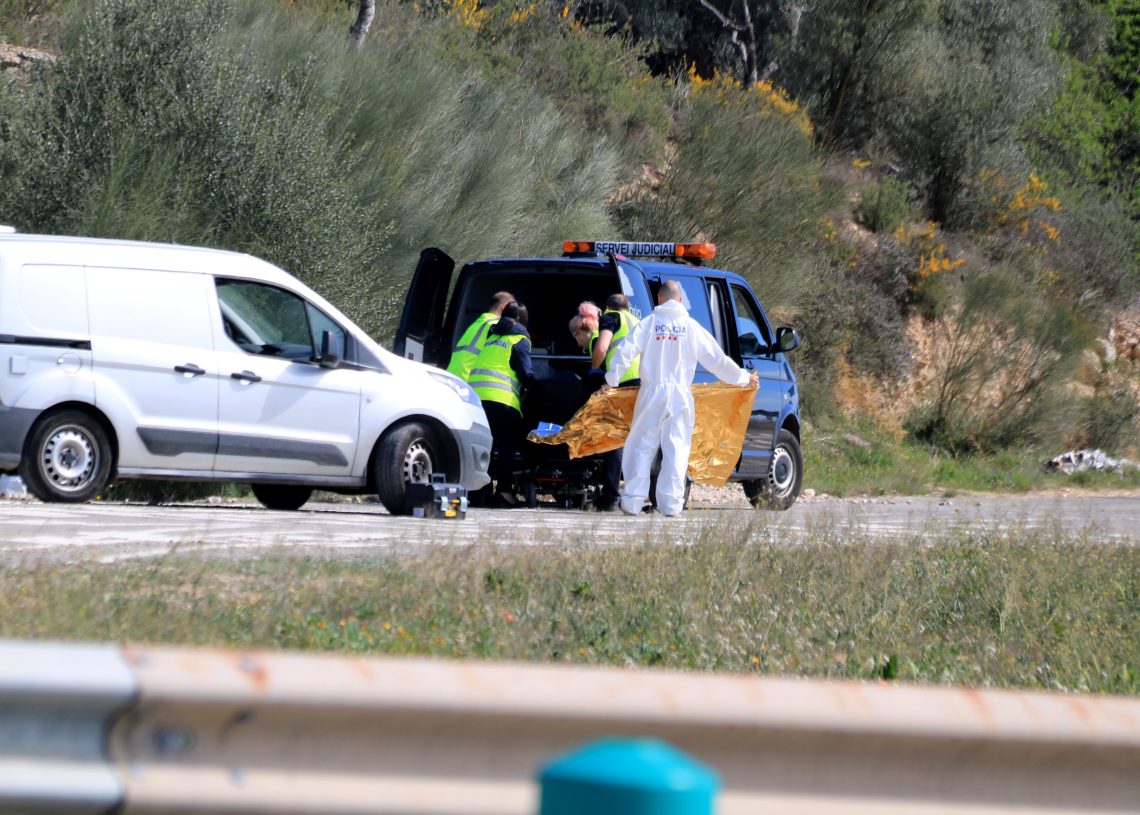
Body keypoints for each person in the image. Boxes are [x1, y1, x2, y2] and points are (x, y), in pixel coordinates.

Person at [604, 280, 758, 517]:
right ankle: (671, 505)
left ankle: (632, 501)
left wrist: (611, 380)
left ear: (659, 299)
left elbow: (625, 352)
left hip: (651, 392)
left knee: (641, 447)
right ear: (680, 300)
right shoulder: (691, 327)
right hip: (680, 396)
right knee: (677, 449)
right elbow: (717, 359)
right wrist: (743, 378)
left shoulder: (649, 324)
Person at [468, 301, 534, 507]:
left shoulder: (491, 336)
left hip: (476, 399)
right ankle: (505, 492)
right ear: (523, 321)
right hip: (502, 401)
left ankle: (479, 492)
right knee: (507, 448)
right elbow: (525, 373)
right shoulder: (520, 340)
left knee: (485, 447)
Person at [587, 294, 641, 512]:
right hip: (641, 383)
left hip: (620, 383)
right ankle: (634, 494)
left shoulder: (610, 317)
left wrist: (594, 368)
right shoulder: (638, 321)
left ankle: (610, 495)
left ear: (608, 307)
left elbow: (601, 348)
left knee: (613, 439)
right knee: (636, 439)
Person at [446, 291, 515, 381]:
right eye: (512, 308)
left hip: (454, 377)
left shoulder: (480, 322)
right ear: (504, 307)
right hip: (467, 380)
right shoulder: (495, 325)